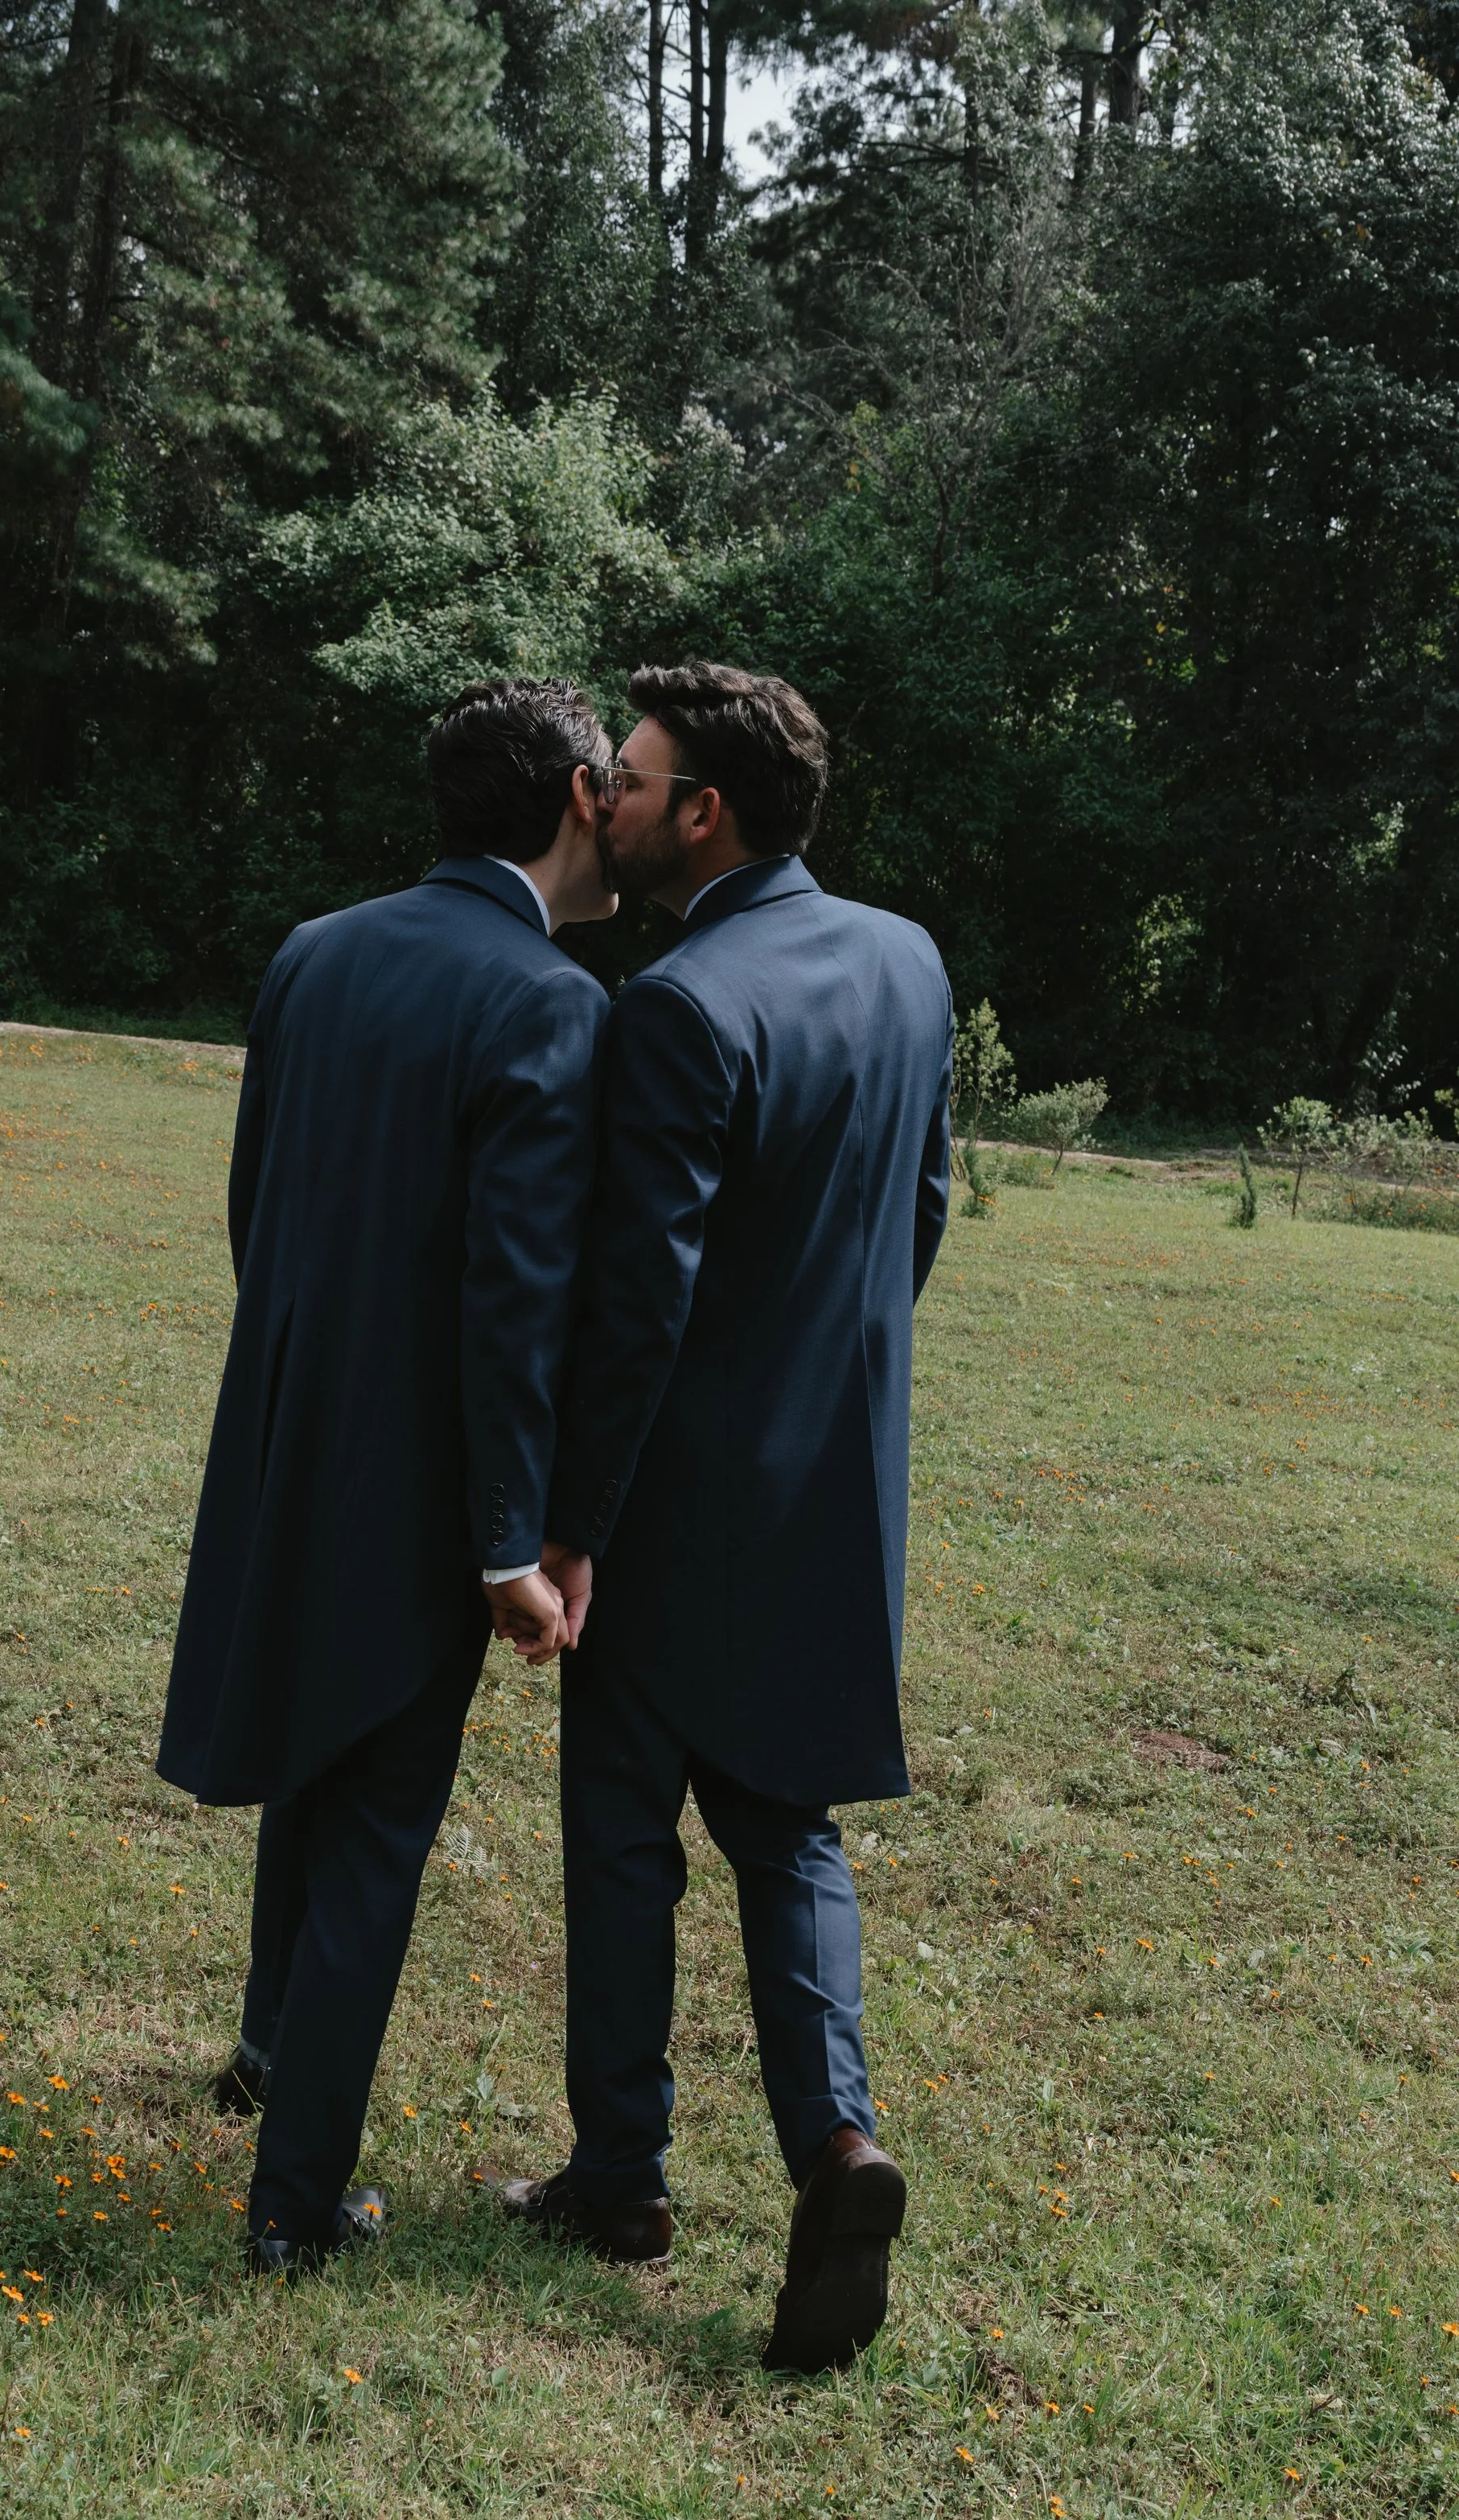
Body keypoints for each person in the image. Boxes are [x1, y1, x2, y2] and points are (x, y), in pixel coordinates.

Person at [500, 660, 952, 2376]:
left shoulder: (676, 1004)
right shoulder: (906, 962)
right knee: (787, 1833)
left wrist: (567, 1525)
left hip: (677, 1504)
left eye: (621, 774)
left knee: (623, 1836)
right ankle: (835, 2146)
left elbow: (635, 1309)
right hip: (834, 1489)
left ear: (700, 811)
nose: (596, 796)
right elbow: (909, 1223)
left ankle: (618, 2174)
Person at [158, 676, 617, 2276]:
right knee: (373, 1825)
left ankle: (268, 2049)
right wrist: (508, 1537)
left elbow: (251, 1205)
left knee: (309, 1759)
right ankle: (293, 2204)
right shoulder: (551, 1003)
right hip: (424, 1479)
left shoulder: (314, 949)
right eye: (611, 783)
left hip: (285, 1431)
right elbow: (514, 1300)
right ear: (573, 791)